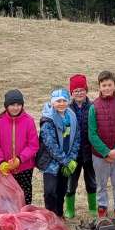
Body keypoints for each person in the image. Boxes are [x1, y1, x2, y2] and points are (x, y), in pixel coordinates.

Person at [88, 70, 115, 218]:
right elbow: (92, 134)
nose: (106, 88)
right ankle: (102, 208)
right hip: (99, 156)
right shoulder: (94, 107)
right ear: (99, 87)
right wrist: (106, 152)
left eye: (109, 85)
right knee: (101, 185)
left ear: (114, 85)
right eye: (103, 85)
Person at [39, 88, 80, 218]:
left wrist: (72, 158)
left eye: (64, 100)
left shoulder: (72, 116)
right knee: (50, 191)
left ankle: (59, 214)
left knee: (62, 190)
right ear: (52, 103)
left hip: (67, 160)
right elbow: (51, 146)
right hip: (51, 163)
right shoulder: (48, 120)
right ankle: (51, 217)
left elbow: (76, 138)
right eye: (58, 101)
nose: (61, 103)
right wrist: (66, 161)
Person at [0, 89, 39, 205]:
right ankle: (9, 218)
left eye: (19, 104)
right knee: (7, 195)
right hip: (6, 167)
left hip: (25, 166)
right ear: (6, 106)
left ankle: (24, 216)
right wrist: (1, 161)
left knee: (25, 193)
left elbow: (33, 145)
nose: (15, 107)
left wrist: (19, 159)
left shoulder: (29, 121)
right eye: (12, 105)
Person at [65, 74, 98, 219]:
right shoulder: (66, 109)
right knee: (71, 183)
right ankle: (70, 208)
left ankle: (92, 207)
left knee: (91, 181)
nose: (79, 93)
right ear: (71, 93)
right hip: (74, 154)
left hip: (90, 152)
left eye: (81, 89)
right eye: (75, 90)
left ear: (86, 90)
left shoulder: (93, 107)